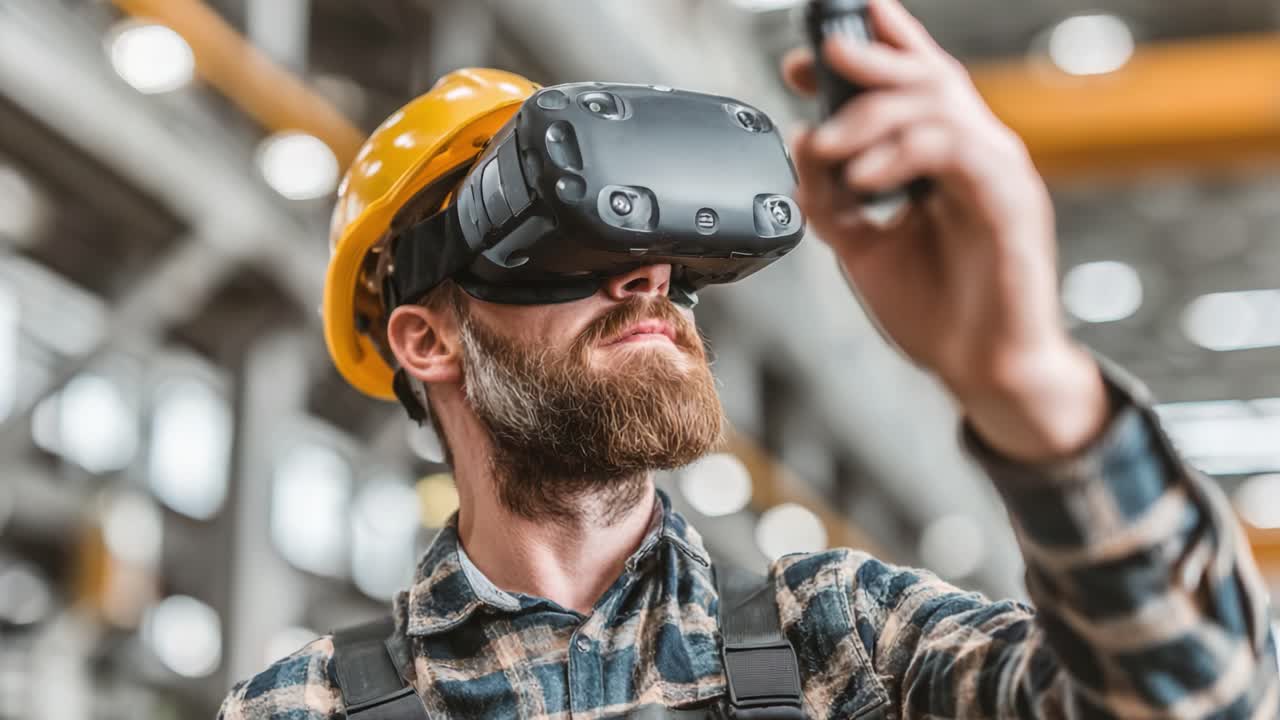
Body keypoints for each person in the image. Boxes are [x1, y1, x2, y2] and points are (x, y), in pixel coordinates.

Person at [217, 0, 1278, 717]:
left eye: (655, 250)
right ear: (426, 336)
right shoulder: (301, 705)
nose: (645, 280)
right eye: (563, 241)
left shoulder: (848, 641)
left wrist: (1023, 380)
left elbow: (1197, 694)